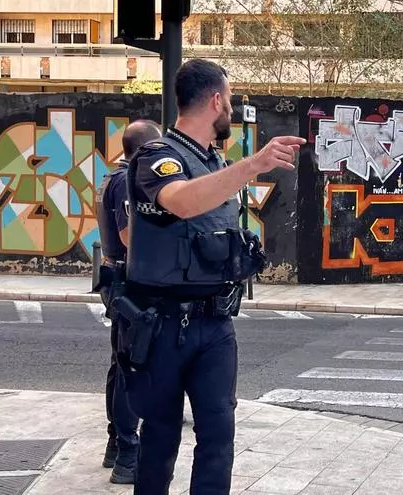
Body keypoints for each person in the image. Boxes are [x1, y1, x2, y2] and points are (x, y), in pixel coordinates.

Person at [121, 59, 306, 493]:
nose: (233, 109)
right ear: (216, 100)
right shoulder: (156, 156)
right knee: (161, 435)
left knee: (219, 439)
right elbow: (181, 202)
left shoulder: (211, 161)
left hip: (216, 325)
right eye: (231, 99)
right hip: (162, 325)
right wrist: (251, 167)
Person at [95, 119, 161, 484]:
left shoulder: (112, 176)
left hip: (117, 278)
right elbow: (128, 234)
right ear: (146, 150)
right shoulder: (125, 181)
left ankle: (115, 447)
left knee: (120, 365)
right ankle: (127, 455)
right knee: (129, 371)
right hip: (129, 282)